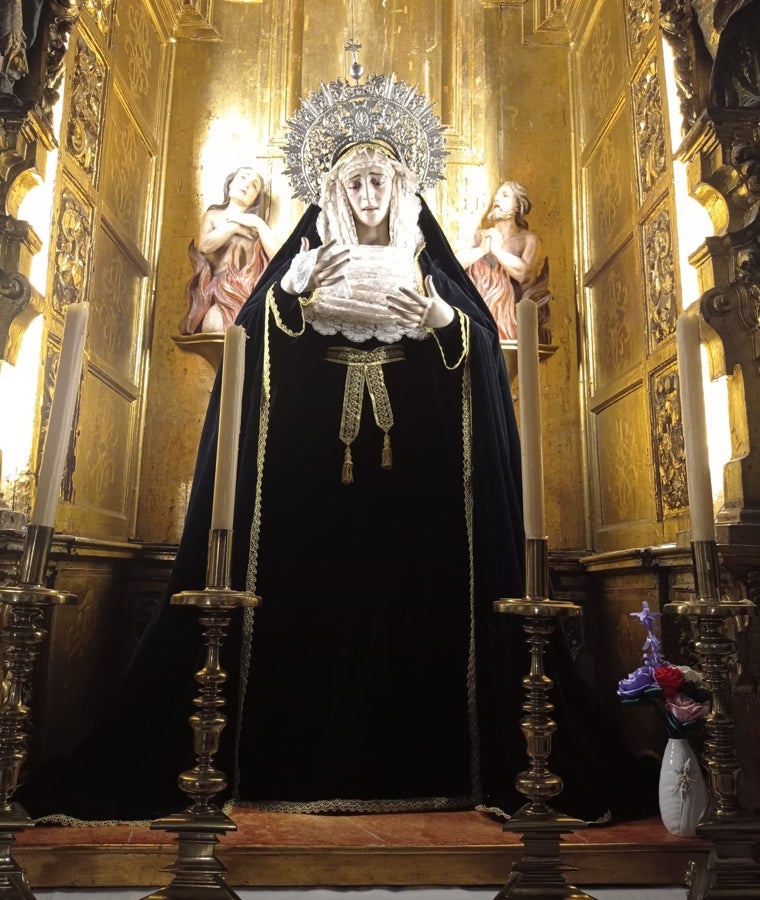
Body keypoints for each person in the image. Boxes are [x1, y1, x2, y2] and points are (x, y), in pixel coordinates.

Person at [19, 94, 655, 825]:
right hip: (308, 518)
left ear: (403, 186)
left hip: (419, 524)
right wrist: (289, 297)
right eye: (354, 181)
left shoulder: (433, 274)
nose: (368, 192)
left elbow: (481, 358)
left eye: (381, 179)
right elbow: (247, 350)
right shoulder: (302, 270)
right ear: (333, 190)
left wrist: (447, 323)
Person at [179, 166, 280, 334]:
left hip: (247, 292)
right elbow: (205, 246)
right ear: (230, 184)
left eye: (254, 185)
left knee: (246, 333)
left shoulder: (256, 227)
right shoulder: (214, 215)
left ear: (255, 199)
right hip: (219, 290)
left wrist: (257, 223)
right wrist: (233, 226)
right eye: (243, 178)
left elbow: (278, 257)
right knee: (213, 325)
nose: (247, 185)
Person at [457, 181, 552, 344]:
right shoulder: (480, 236)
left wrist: (497, 251)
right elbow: (454, 265)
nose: (497, 200)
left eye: (505, 195)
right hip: (477, 317)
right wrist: (481, 251)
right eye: (496, 196)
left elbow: (525, 275)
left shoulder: (528, 239)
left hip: (507, 321)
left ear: (518, 206)